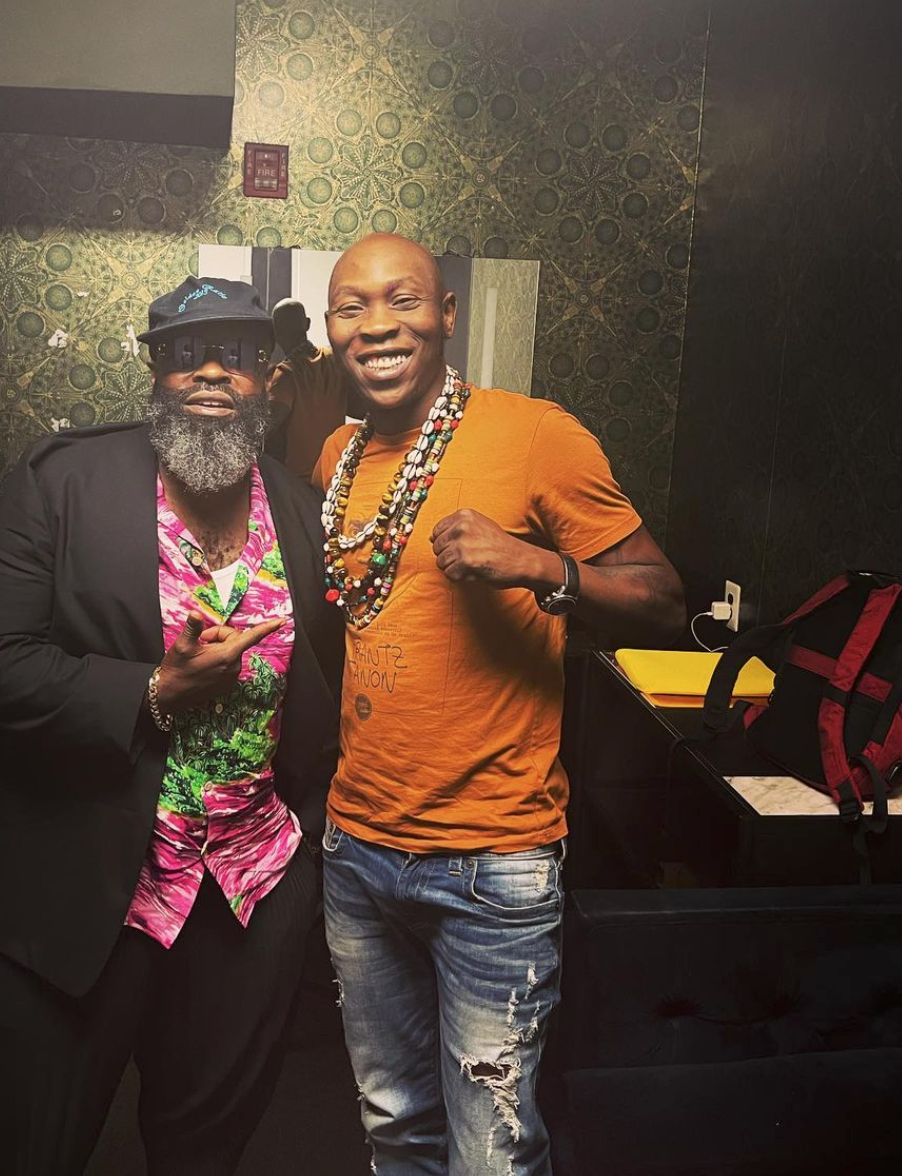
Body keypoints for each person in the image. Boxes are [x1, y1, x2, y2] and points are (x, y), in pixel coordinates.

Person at [0, 276, 343, 1176]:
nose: (211, 372)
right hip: (86, 883)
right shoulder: (63, 484)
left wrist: (307, 855)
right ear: (155, 372)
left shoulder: (300, 510)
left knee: (204, 1147)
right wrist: (153, 691)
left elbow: (326, 684)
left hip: (247, 895)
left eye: (237, 355)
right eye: (183, 353)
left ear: (270, 378)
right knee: (35, 1149)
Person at [312, 234, 685, 1176]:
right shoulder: (336, 459)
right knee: (393, 1123)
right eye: (352, 307)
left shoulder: (535, 434)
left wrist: (537, 564)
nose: (377, 325)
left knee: (493, 1150)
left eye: (403, 300)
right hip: (357, 851)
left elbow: (663, 599)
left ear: (446, 314)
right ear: (331, 331)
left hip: (492, 863)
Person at [265, 297, 357, 481]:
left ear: (275, 333)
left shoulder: (286, 374)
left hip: (300, 479)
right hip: (334, 472)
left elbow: (267, 427)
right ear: (307, 324)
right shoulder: (334, 361)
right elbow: (357, 408)